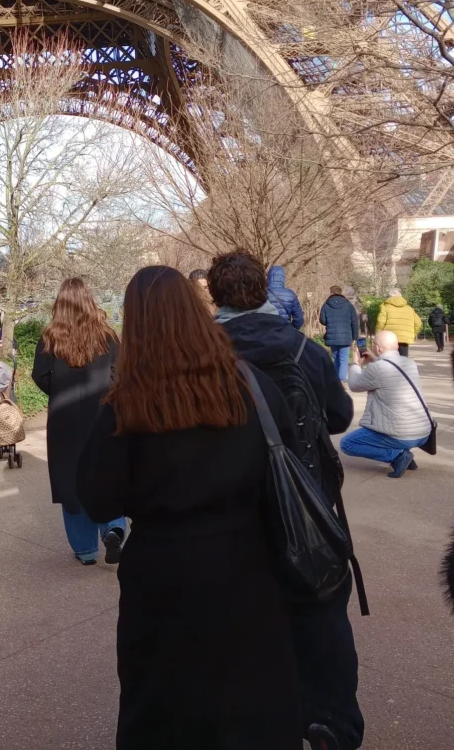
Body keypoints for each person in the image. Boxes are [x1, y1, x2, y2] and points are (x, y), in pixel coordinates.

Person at [78, 265, 304, 749]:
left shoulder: (127, 405)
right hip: (250, 563)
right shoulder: (254, 387)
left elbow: (96, 497)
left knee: (164, 703)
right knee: (251, 696)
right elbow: (286, 465)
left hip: (164, 572)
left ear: (136, 323)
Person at [208, 251, 361, 750]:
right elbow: (338, 417)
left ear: (214, 294)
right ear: (267, 291)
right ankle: (332, 721)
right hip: (307, 498)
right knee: (321, 612)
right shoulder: (303, 348)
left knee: (246, 620)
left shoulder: (203, 352)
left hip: (235, 508)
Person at [32, 278, 125, 565]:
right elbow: (118, 372)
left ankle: (85, 550)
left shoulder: (50, 338)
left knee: (70, 480)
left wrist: (58, 392)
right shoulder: (107, 335)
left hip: (65, 418)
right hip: (101, 413)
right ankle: (113, 527)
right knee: (105, 473)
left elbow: (40, 375)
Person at [342, 330, 432, 478]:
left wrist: (356, 364)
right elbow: (388, 371)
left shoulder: (377, 368)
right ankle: (402, 453)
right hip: (423, 434)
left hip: (402, 435)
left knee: (348, 443)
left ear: (377, 348)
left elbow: (354, 384)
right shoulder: (410, 362)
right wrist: (375, 360)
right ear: (397, 346)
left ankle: (398, 455)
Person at [319, 285, 360, 382]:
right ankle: (341, 380)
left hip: (332, 335)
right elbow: (354, 322)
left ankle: (336, 379)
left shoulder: (326, 305)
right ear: (341, 293)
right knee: (343, 358)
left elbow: (323, 320)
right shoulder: (348, 305)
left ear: (331, 292)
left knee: (335, 357)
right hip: (346, 336)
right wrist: (355, 337)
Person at [376, 288, 421, 356]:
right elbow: (418, 323)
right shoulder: (409, 308)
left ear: (390, 296)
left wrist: (378, 335)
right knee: (403, 360)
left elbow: (381, 322)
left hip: (389, 338)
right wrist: (412, 333)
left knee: (390, 359)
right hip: (404, 337)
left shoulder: (385, 307)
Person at [267, 264, 304, 329]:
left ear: (269, 277)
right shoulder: (290, 294)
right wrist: (291, 329)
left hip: (266, 333)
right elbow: (299, 318)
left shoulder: (262, 294)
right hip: (285, 332)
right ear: (282, 278)